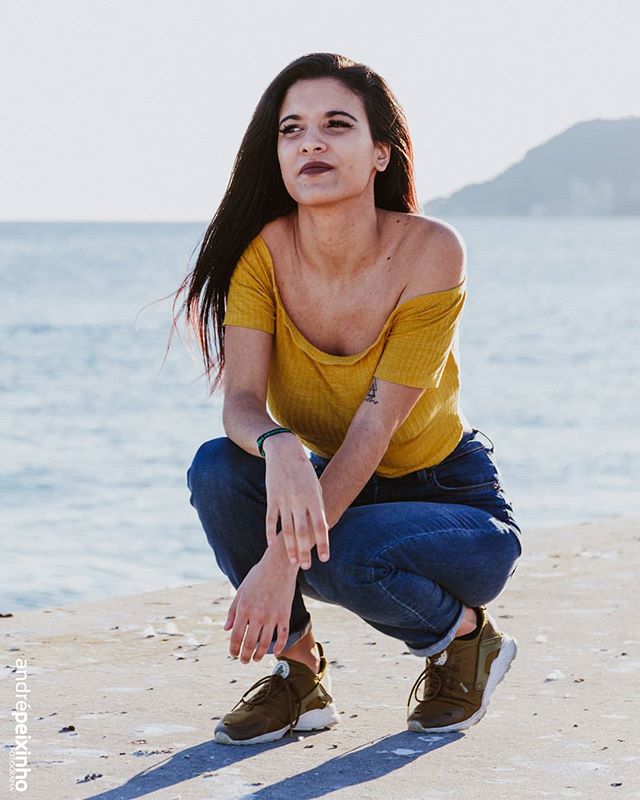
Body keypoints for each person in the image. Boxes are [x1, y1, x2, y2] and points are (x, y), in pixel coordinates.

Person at [173, 52, 523, 746]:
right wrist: (280, 448)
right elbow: (240, 403)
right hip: (341, 485)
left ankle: (466, 640)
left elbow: (377, 425)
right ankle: (298, 678)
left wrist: (278, 566)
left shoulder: (431, 251)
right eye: (291, 129)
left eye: (337, 125)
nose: (311, 142)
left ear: (380, 155)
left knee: (345, 549)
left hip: (451, 507)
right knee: (218, 468)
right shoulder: (263, 254)